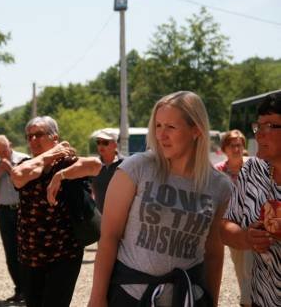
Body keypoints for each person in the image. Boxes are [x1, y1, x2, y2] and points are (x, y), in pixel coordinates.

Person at [88, 91, 231, 307]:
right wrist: (97, 298)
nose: (161, 135)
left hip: (188, 299)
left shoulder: (219, 186)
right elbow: (109, 237)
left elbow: (213, 253)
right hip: (130, 296)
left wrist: (212, 302)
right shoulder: (136, 168)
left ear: (196, 130)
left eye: (171, 127)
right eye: (158, 126)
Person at [11, 116, 101, 307]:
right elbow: (17, 176)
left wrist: (60, 176)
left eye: (38, 135)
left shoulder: (67, 164)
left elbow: (95, 165)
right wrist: (51, 154)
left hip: (64, 253)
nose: (33, 140)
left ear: (55, 137)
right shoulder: (27, 165)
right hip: (30, 253)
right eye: (29, 136)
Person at [221, 92, 281, 307]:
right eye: (259, 127)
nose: (259, 135)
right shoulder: (253, 169)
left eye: (269, 127)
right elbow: (226, 227)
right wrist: (247, 238)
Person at [0, 135, 29, 302]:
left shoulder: (24, 159)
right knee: (10, 252)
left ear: (10, 145)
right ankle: (19, 289)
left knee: (26, 250)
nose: (1, 154)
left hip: (23, 210)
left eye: (4, 150)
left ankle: (30, 289)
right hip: (4, 211)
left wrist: (10, 169)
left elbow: (26, 184)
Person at [214, 130, 252, 307]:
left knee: (252, 268)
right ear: (224, 149)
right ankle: (246, 300)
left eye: (240, 145)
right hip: (232, 228)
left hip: (255, 225)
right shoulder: (218, 172)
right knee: (240, 268)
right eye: (233, 145)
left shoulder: (254, 166)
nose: (237, 148)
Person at [91, 128, 124, 213]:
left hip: (121, 217)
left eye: (105, 142)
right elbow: (91, 191)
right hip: (100, 217)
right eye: (98, 142)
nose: (101, 146)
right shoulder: (93, 165)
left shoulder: (125, 164)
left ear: (115, 145)